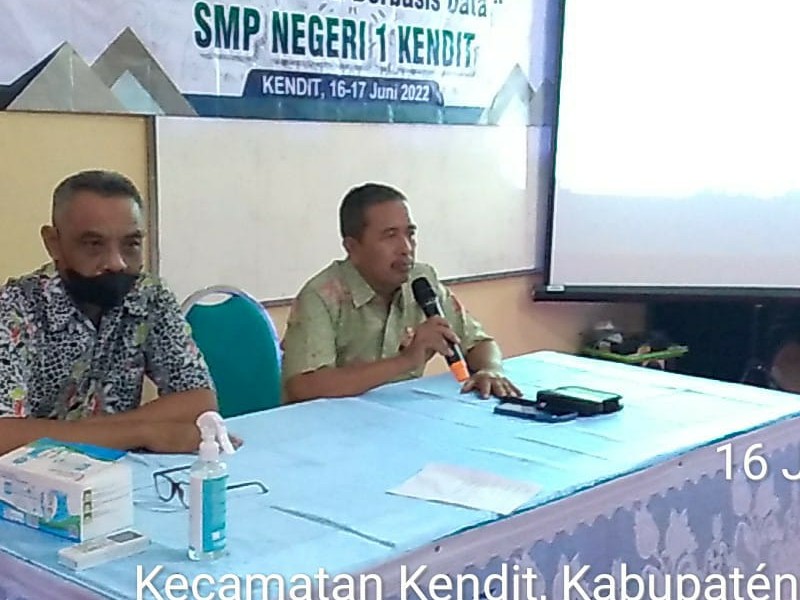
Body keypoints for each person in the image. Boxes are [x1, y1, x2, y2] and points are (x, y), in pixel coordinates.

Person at [0, 170, 232, 456]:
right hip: (29, 480)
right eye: (94, 244)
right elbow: (4, 435)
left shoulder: (148, 294)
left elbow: (199, 400)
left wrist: (91, 433)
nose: (117, 262)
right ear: (53, 243)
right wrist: (142, 432)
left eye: (131, 244)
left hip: (120, 474)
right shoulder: (14, 308)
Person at [281, 183, 521, 403]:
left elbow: (479, 343)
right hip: (331, 425)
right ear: (352, 247)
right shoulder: (322, 296)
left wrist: (490, 370)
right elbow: (304, 386)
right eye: (390, 236)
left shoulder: (421, 281)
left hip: (401, 417)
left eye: (410, 234)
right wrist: (405, 361)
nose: (406, 248)